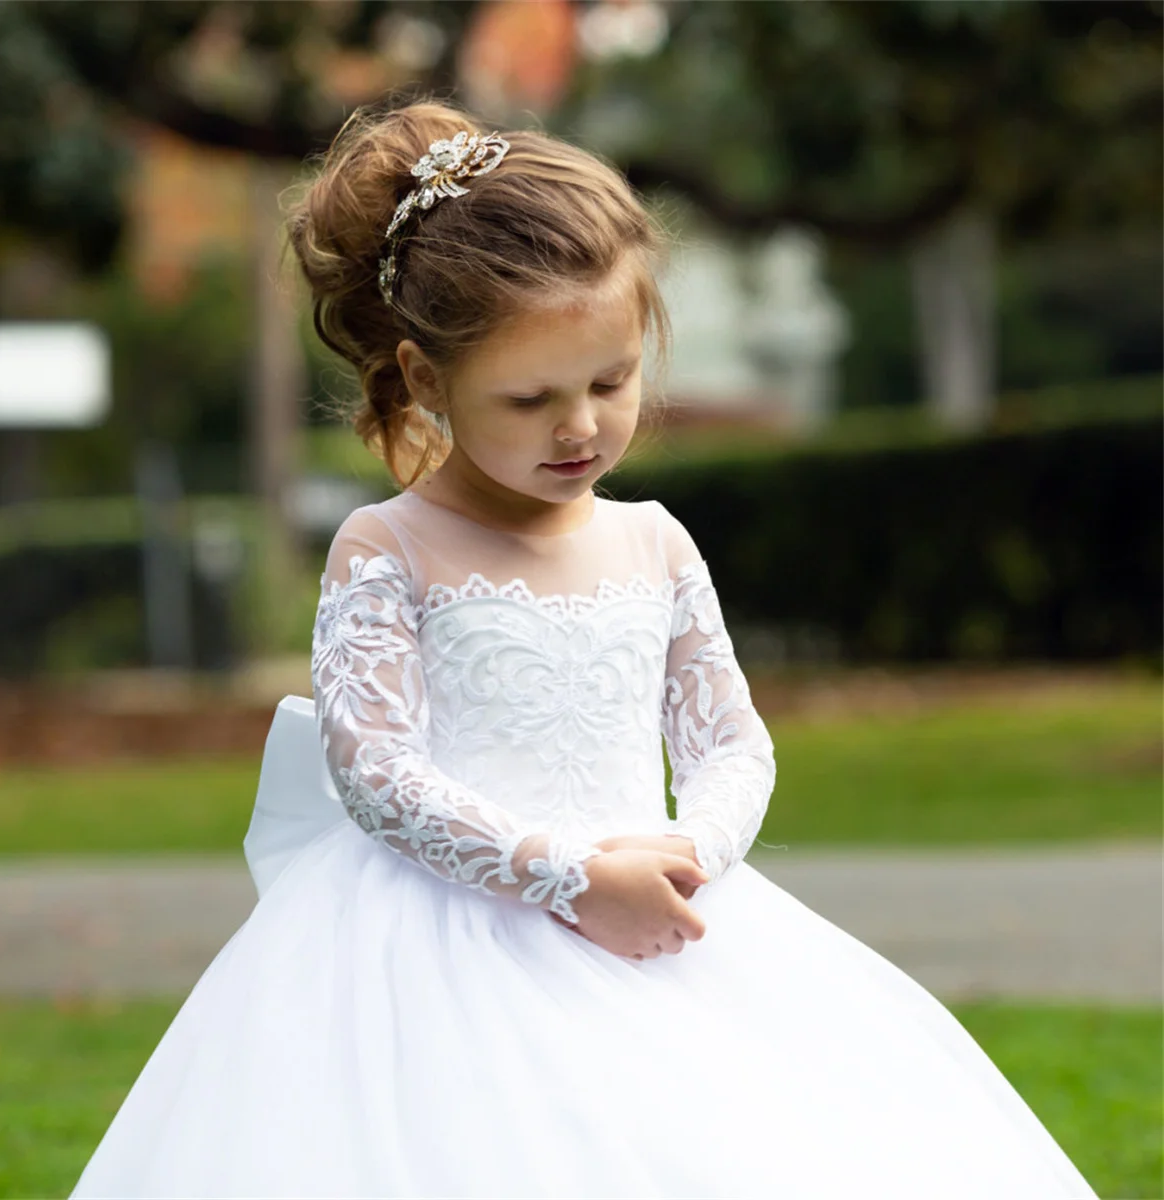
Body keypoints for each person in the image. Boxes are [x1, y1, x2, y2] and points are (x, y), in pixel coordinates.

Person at [72, 101, 1096, 1199]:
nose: (581, 429)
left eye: (610, 382)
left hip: (659, 903)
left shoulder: (652, 540)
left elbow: (731, 740)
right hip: (446, 934)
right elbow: (374, 773)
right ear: (425, 380)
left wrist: (687, 853)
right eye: (532, 398)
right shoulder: (389, 547)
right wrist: (565, 878)